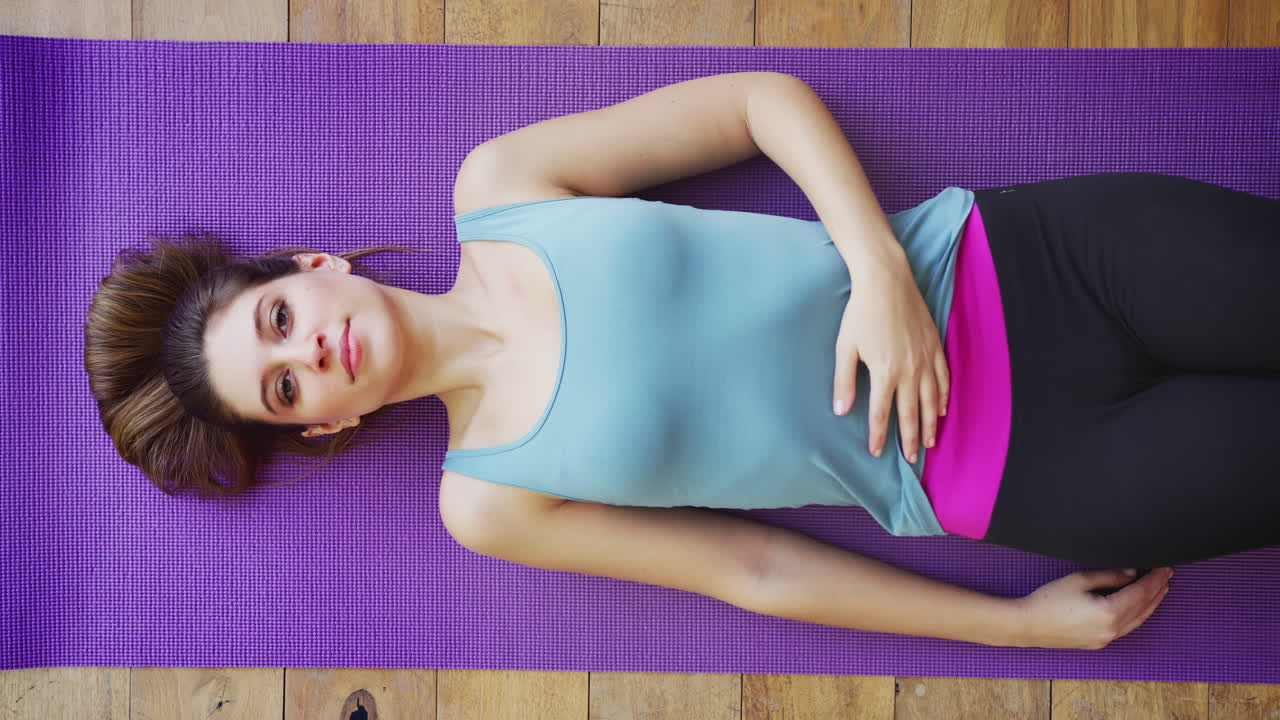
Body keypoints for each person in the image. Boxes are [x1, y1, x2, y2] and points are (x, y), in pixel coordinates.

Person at [84, 71, 1279, 652]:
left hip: (1022, 262)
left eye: (277, 319)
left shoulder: (500, 187)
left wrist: (876, 274)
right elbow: (754, 568)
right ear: (321, 425)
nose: (309, 351)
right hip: (1018, 468)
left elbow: (759, 105)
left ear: (313, 266)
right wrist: (1015, 631)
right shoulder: (485, 500)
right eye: (283, 387)